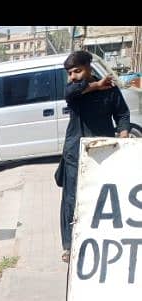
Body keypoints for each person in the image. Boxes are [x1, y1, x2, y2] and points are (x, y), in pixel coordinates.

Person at [59, 50, 130, 263]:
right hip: (75, 153)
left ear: (89, 67)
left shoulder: (110, 90)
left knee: (103, 195)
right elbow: (71, 93)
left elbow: (123, 114)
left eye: (77, 71)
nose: (73, 77)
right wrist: (96, 85)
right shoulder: (74, 90)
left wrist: (124, 132)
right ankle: (69, 246)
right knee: (72, 199)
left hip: (104, 152)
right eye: (70, 73)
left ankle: (101, 236)